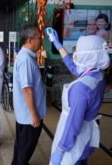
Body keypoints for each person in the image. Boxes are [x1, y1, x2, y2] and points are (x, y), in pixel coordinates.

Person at [46, 27, 110, 165]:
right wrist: (57, 44)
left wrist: (60, 149)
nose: (75, 53)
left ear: (88, 56)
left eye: (77, 50)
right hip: (87, 136)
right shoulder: (97, 74)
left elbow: (73, 124)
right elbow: (75, 68)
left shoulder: (81, 89)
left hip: (73, 143)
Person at [11, 23, 47, 164]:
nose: (41, 40)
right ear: (30, 40)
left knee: (21, 146)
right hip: (29, 117)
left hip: (25, 114)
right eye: (39, 37)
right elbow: (27, 89)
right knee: (25, 148)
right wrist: (34, 115)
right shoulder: (26, 60)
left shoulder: (26, 56)